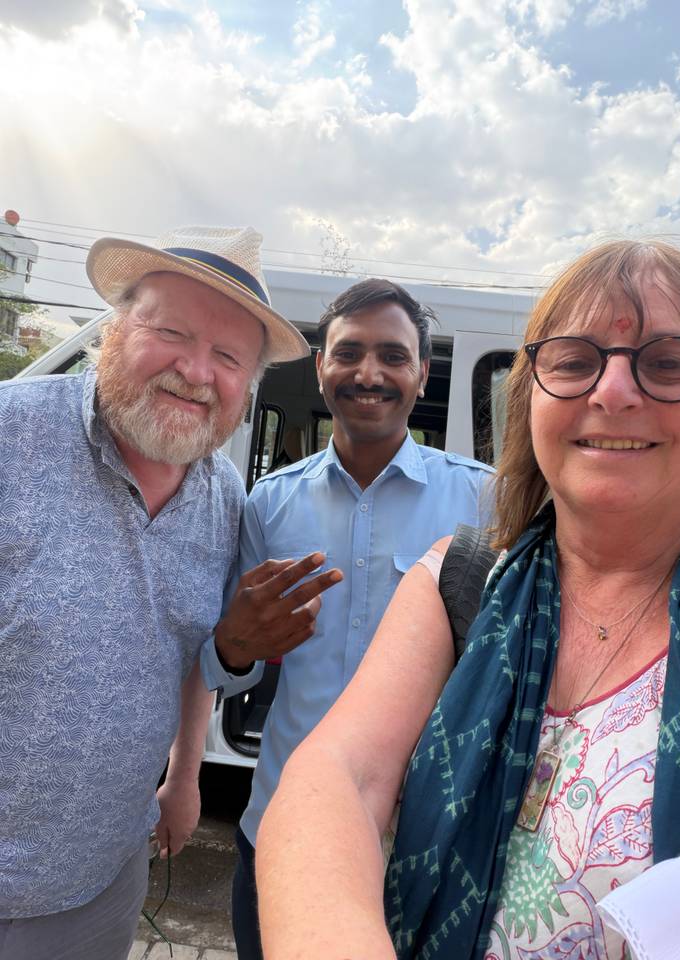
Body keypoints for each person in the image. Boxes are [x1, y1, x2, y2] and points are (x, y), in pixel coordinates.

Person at [255, 239, 680, 960]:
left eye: (668, 363)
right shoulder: (461, 579)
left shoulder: (464, 493)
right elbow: (339, 777)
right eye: (573, 361)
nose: (614, 391)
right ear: (530, 398)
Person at [0, 225, 340, 960]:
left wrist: (185, 777)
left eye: (227, 357)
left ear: (247, 386)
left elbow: (194, 653)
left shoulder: (225, 498)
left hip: (100, 880)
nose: (195, 371)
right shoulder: (10, 434)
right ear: (117, 331)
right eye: (171, 332)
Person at [209, 277, 495, 959]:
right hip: (281, 828)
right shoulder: (268, 506)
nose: (370, 373)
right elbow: (223, 672)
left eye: (393, 356)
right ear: (321, 367)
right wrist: (234, 647)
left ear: (422, 374)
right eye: (350, 353)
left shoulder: (484, 502)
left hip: (425, 842)